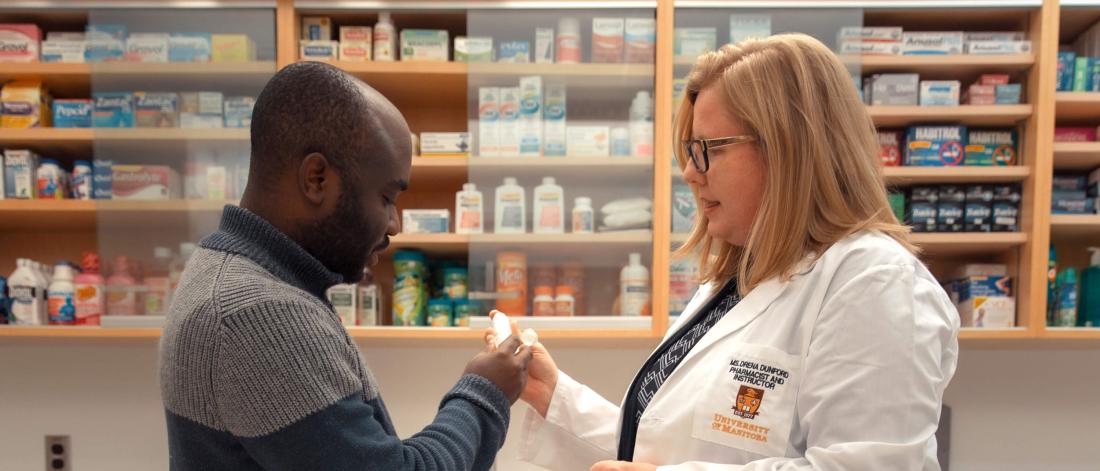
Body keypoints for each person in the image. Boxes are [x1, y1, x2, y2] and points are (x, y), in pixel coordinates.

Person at [493, 33, 960, 470]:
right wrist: (553, 395)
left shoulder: (874, 282)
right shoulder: (739, 281)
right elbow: (662, 443)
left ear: (787, 148)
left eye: (707, 149)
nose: (692, 174)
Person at [159, 62, 532, 470]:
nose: (394, 224)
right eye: (387, 198)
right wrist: (484, 392)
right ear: (316, 178)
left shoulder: (223, 269)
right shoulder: (255, 313)